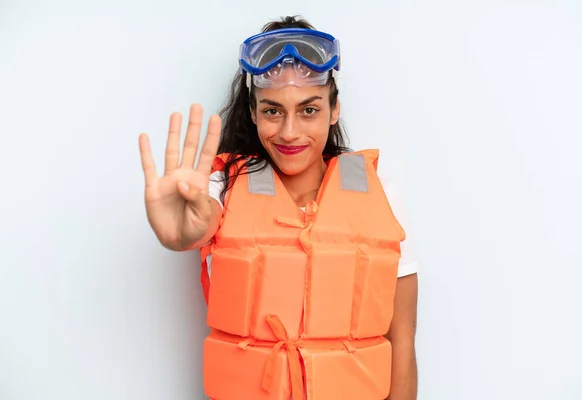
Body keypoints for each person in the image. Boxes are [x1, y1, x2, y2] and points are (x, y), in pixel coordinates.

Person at [139, 16, 418, 400]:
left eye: (308, 110)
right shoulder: (221, 187)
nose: (289, 132)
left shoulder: (382, 192)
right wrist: (182, 234)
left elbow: (401, 338)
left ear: (333, 110)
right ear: (253, 113)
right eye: (272, 111)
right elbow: (197, 226)